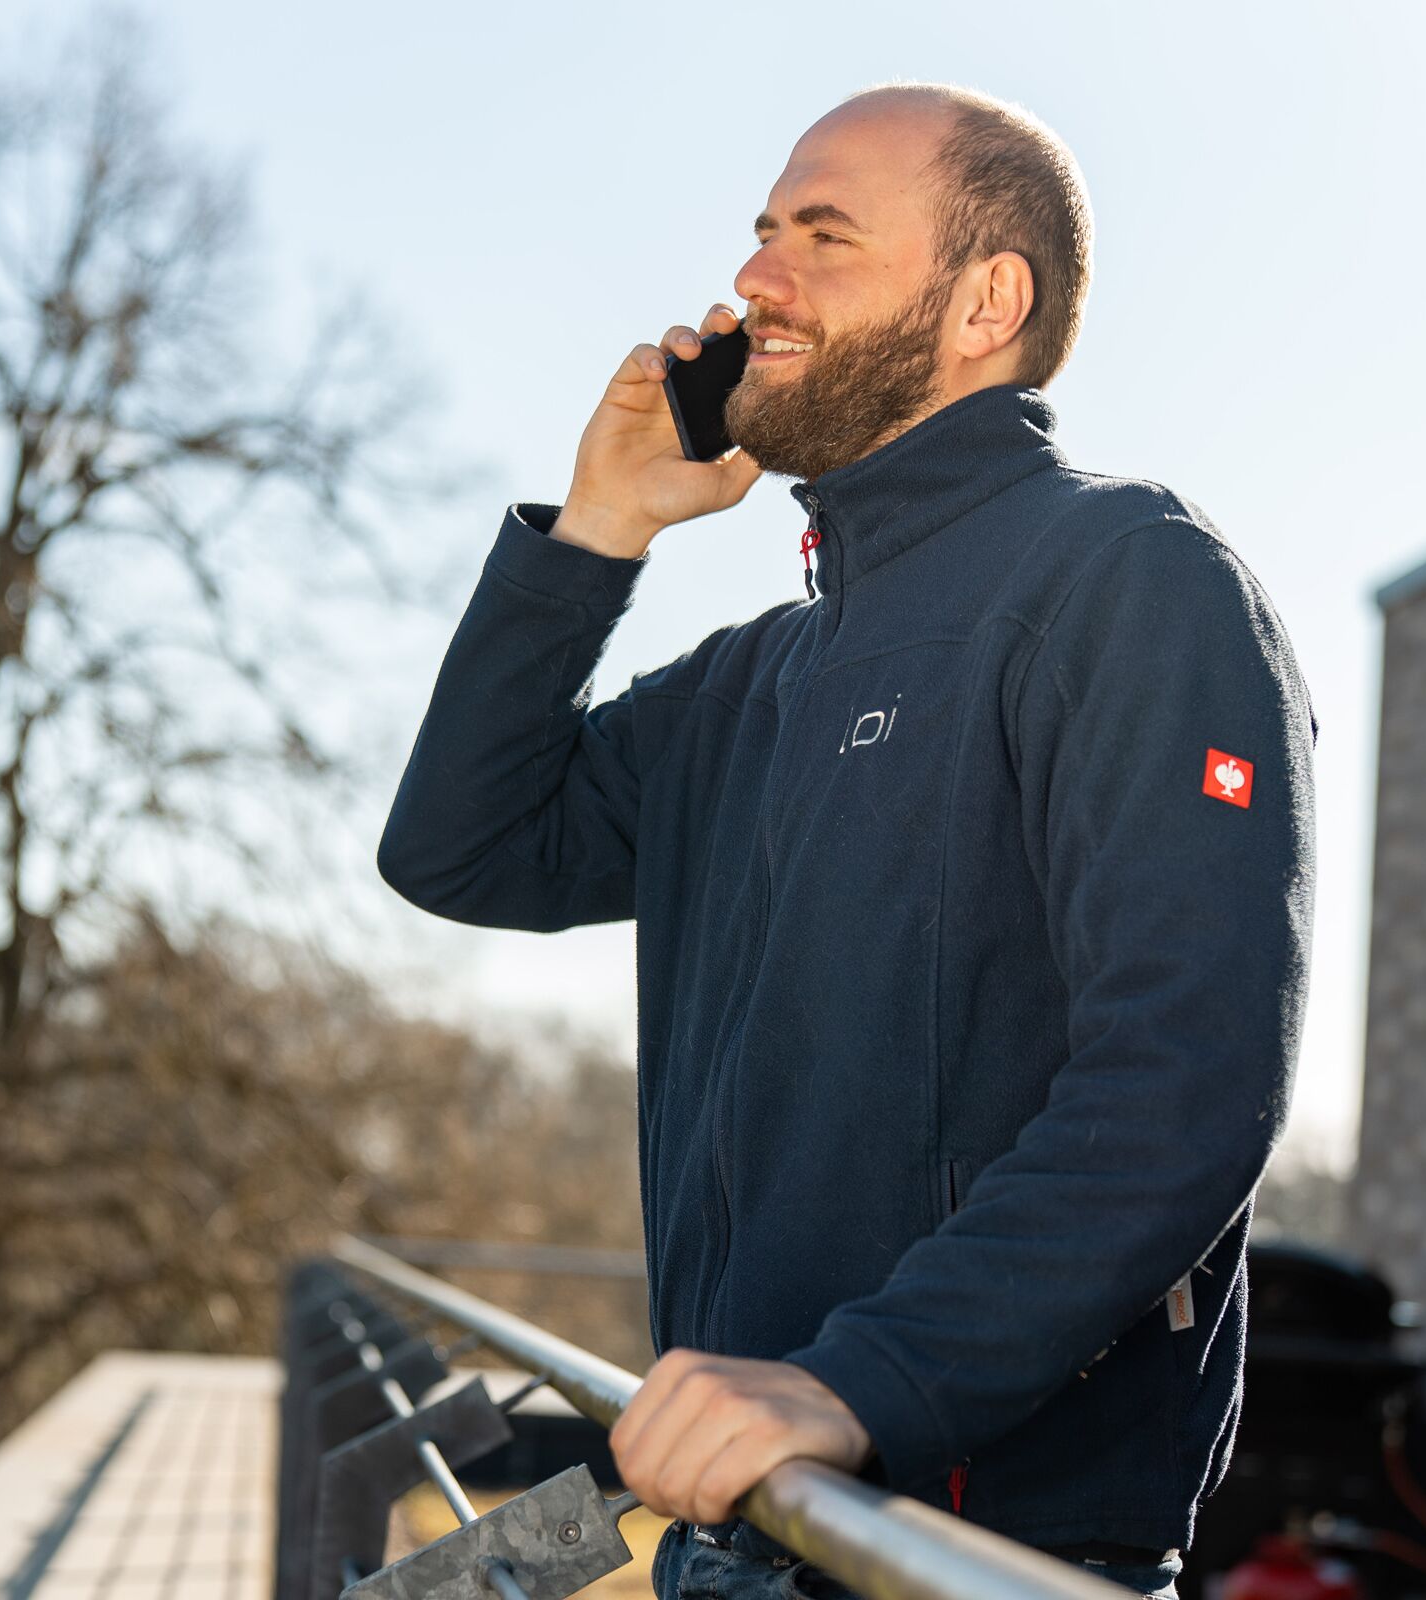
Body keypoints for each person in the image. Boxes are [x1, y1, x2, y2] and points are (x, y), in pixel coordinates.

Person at [377, 80, 1317, 1600]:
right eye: (761, 234)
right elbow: (463, 849)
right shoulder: (752, 680)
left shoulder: (1137, 583)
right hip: (723, 1530)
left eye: (823, 234)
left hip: (959, 1554)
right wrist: (598, 530)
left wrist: (860, 1386)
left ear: (984, 300)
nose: (755, 279)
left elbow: (1186, 1085)